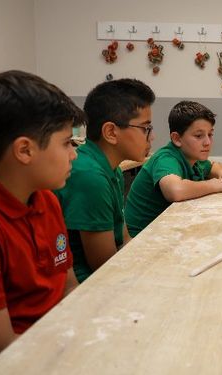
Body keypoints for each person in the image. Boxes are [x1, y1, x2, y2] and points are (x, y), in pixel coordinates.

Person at [0, 71, 83, 361]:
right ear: (25, 150)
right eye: (66, 143)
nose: (74, 154)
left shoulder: (45, 199)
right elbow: (1, 344)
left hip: (61, 339)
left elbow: (67, 285)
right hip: (24, 356)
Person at [55, 79, 155, 282]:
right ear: (111, 132)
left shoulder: (112, 169)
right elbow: (104, 265)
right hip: (89, 286)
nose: (151, 137)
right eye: (145, 129)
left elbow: (124, 238)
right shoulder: (90, 176)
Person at [125, 101, 222, 237]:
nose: (207, 142)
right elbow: (175, 190)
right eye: (198, 136)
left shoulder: (192, 157)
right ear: (177, 139)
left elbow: (212, 166)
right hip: (139, 238)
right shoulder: (166, 158)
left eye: (210, 134)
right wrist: (211, 185)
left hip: (162, 229)